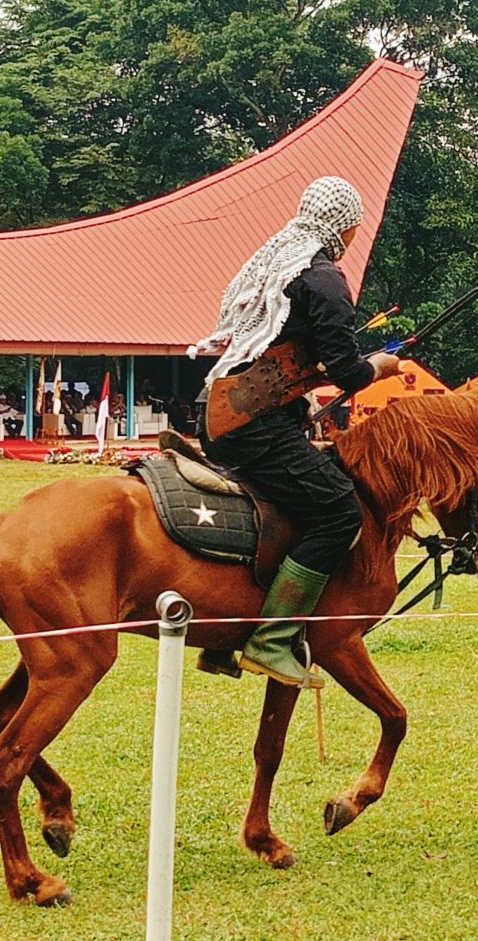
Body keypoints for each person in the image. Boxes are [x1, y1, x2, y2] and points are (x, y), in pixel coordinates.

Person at [192, 177, 400, 689]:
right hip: (254, 427)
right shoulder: (324, 277)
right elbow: (350, 374)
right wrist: (382, 366)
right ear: (345, 225)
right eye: (354, 226)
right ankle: (272, 639)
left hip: (226, 415)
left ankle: (229, 635)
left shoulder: (280, 265)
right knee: (337, 511)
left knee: (289, 507)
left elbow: (298, 359)